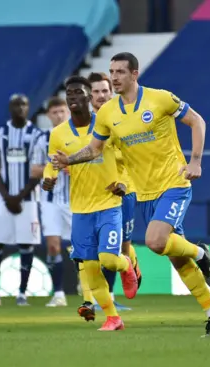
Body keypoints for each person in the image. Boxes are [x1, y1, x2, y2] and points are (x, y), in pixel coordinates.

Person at [51, 52, 210, 336]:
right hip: (144, 193)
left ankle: (201, 252)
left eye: (120, 72)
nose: (114, 77)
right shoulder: (108, 112)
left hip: (173, 182)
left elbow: (198, 121)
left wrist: (195, 160)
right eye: (111, 71)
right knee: (176, 257)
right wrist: (68, 161)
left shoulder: (160, 99)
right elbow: (95, 149)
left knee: (156, 241)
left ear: (134, 74)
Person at [39, 76, 139, 331]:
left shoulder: (106, 125)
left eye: (77, 93)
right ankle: (113, 317)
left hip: (108, 203)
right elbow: (53, 163)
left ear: (89, 98)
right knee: (90, 268)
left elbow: (126, 158)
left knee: (108, 260)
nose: (72, 98)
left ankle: (126, 265)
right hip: (80, 209)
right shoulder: (58, 133)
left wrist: (124, 183)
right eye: (68, 94)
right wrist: (48, 179)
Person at [74, 72, 137, 319]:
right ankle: (95, 299)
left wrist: (123, 182)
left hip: (125, 192)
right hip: (90, 197)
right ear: (90, 96)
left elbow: (134, 157)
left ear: (112, 92)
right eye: (96, 92)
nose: (101, 96)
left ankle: (120, 279)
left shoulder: (122, 119)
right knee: (89, 251)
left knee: (121, 247)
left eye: (105, 91)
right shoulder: (82, 124)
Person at [0, 94, 43, 307]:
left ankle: (22, 294)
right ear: (10, 108)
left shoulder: (36, 135)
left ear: (29, 108)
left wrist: (19, 197)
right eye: (16, 105)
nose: (20, 108)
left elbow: (38, 170)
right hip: (3, 200)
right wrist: (7, 197)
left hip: (29, 200)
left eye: (23, 104)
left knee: (26, 244)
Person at [37, 97, 72, 308]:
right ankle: (59, 293)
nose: (59, 116)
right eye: (55, 113)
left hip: (75, 199)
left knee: (82, 246)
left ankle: (89, 289)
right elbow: (34, 169)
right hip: (50, 201)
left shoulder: (77, 136)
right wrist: (52, 168)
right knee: (52, 245)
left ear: (67, 112)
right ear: (48, 116)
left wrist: (73, 166)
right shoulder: (42, 140)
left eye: (62, 111)